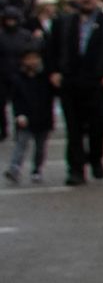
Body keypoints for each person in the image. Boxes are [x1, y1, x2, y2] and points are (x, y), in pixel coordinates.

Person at [45, 0, 103, 185]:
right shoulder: (63, 23)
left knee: (98, 126)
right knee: (74, 129)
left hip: (98, 83)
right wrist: (53, 71)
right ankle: (76, 169)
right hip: (71, 81)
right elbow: (50, 49)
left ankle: (96, 159)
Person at [7, 46, 53, 185]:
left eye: (35, 58)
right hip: (25, 117)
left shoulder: (45, 78)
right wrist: (19, 115)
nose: (32, 62)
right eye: (28, 59)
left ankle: (37, 170)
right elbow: (15, 100)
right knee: (21, 144)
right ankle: (14, 168)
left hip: (43, 117)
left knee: (40, 147)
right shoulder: (18, 78)